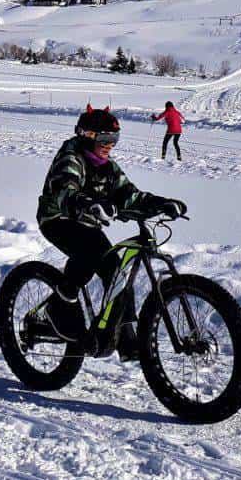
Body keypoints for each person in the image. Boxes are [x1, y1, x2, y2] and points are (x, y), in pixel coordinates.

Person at [34, 106, 183, 350]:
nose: (109, 146)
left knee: (115, 268)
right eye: (105, 139)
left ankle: (124, 334)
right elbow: (65, 189)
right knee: (89, 255)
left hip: (87, 224)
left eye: (114, 140)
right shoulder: (71, 158)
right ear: (87, 136)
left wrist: (159, 204)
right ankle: (56, 310)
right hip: (58, 218)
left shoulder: (108, 168)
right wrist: (85, 203)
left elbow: (129, 195)